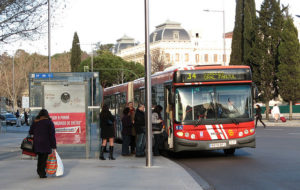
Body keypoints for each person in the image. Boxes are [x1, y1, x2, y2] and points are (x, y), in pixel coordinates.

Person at [29, 109, 56, 178]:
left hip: (37, 142)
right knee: (43, 158)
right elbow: (52, 135)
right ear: (47, 115)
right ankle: (41, 173)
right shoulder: (49, 122)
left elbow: (30, 132)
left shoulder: (36, 122)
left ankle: (40, 171)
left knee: (40, 157)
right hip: (46, 143)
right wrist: (54, 146)